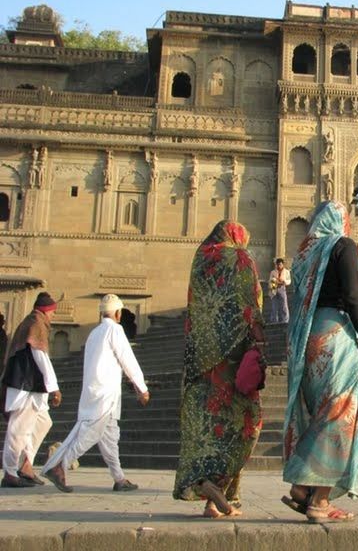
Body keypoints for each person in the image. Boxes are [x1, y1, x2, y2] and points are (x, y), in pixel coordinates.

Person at [282, 201, 358, 524]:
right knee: (339, 413)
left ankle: (304, 487)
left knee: (322, 410)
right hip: (336, 335)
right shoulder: (341, 246)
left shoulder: (305, 253)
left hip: (307, 337)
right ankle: (319, 499)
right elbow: (354, 295)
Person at [171, 221, 266, 517]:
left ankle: (214, 496)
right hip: (233, 361)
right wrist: (260, 343)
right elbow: (251, 305)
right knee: (246, 424)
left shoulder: (200, 260)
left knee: (209, 428)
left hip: (201, 361)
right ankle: (216, 487)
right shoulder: (241, 259)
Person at [42, 294, 149, 494]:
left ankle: (119, 478)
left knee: (109, 437)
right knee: (90, 433)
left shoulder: (95, 333)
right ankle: (60, 466)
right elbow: (128, 359)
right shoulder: (114, 330)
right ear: (118, 313)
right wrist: (142, 387)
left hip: (94, 390)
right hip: (105, 394)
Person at [1, 293, 61, 488]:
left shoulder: (34, 322)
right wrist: (54, 388)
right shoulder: (36, 323)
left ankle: (26, 464)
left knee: (44, 422)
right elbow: (40, 356)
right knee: (18, 430)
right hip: (24, 386)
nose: (53, 316)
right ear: (46, 311)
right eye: (53, 312)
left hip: (33, 387)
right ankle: (10, 472)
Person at [268, 258, 292, 324]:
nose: (279, 266)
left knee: (284, 305)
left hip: (282, 288)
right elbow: (270, 281)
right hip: (274, 288)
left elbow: (289, 281)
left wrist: (284, 282)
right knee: (274, 305)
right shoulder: (273, 272)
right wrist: (274, 282)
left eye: (280, 264)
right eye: (277, 265)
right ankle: (274, 320)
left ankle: (285, 320)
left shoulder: (286, 272)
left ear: (282, 264)